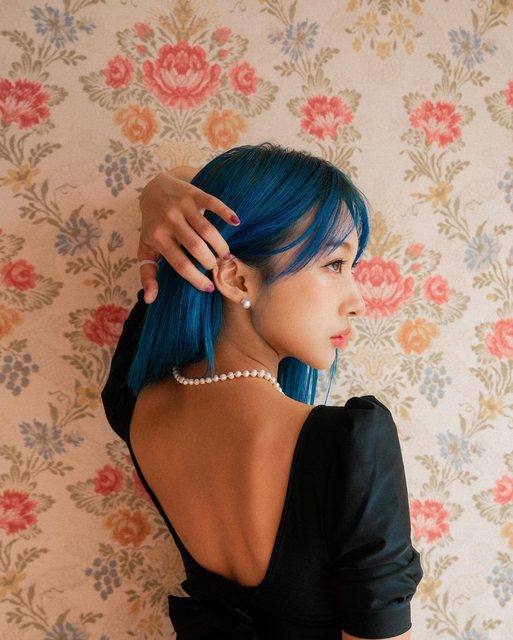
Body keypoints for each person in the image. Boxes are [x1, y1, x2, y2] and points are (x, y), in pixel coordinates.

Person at [101, 142, 424, 639]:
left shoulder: (134, 402)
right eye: (335, 264)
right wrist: (161, 195)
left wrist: (158, 194)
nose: (358, 301)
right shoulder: (351, 445)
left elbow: (196, 223)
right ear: (235, 278)